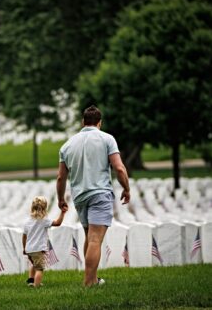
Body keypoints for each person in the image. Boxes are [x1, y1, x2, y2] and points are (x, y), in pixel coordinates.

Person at [56, 105, 130, 287]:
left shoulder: (67, 145)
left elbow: (60, 177)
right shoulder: (107, 139)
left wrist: (60, 199)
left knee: (90, 238)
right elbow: (119, 168)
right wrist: (126, 188)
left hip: (80, 196)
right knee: (96, 239)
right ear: (100, 122)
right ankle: (88, 283)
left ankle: (93, 279)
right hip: (100, 193)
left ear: (83, 122)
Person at [22, 196, 68, 288]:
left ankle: (31, 280)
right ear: (44, 209)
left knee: (34, 264)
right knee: (40, 269)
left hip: (29, 249)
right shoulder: (44, 220)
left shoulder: (27, 222)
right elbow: (58, 223)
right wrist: (63, 213)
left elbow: (24, 236)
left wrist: (24, 248)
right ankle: (36, 285)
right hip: (39, 248)